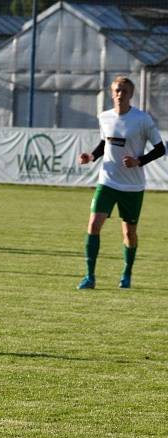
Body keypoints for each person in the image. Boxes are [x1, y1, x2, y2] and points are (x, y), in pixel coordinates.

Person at [77, 76, 165, 289]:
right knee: (93, 224)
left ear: (131, 94)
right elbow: (104, 142)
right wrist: (91, 156)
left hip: (132, 186)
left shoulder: (142, 119)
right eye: (117, 90)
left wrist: (139, 161)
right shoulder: (104, 117)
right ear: (111, 92)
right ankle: (90, 277)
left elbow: (160, 148)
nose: (120, 94)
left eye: (124, 91)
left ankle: (127, 273)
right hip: (107, 181)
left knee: (129, 233)